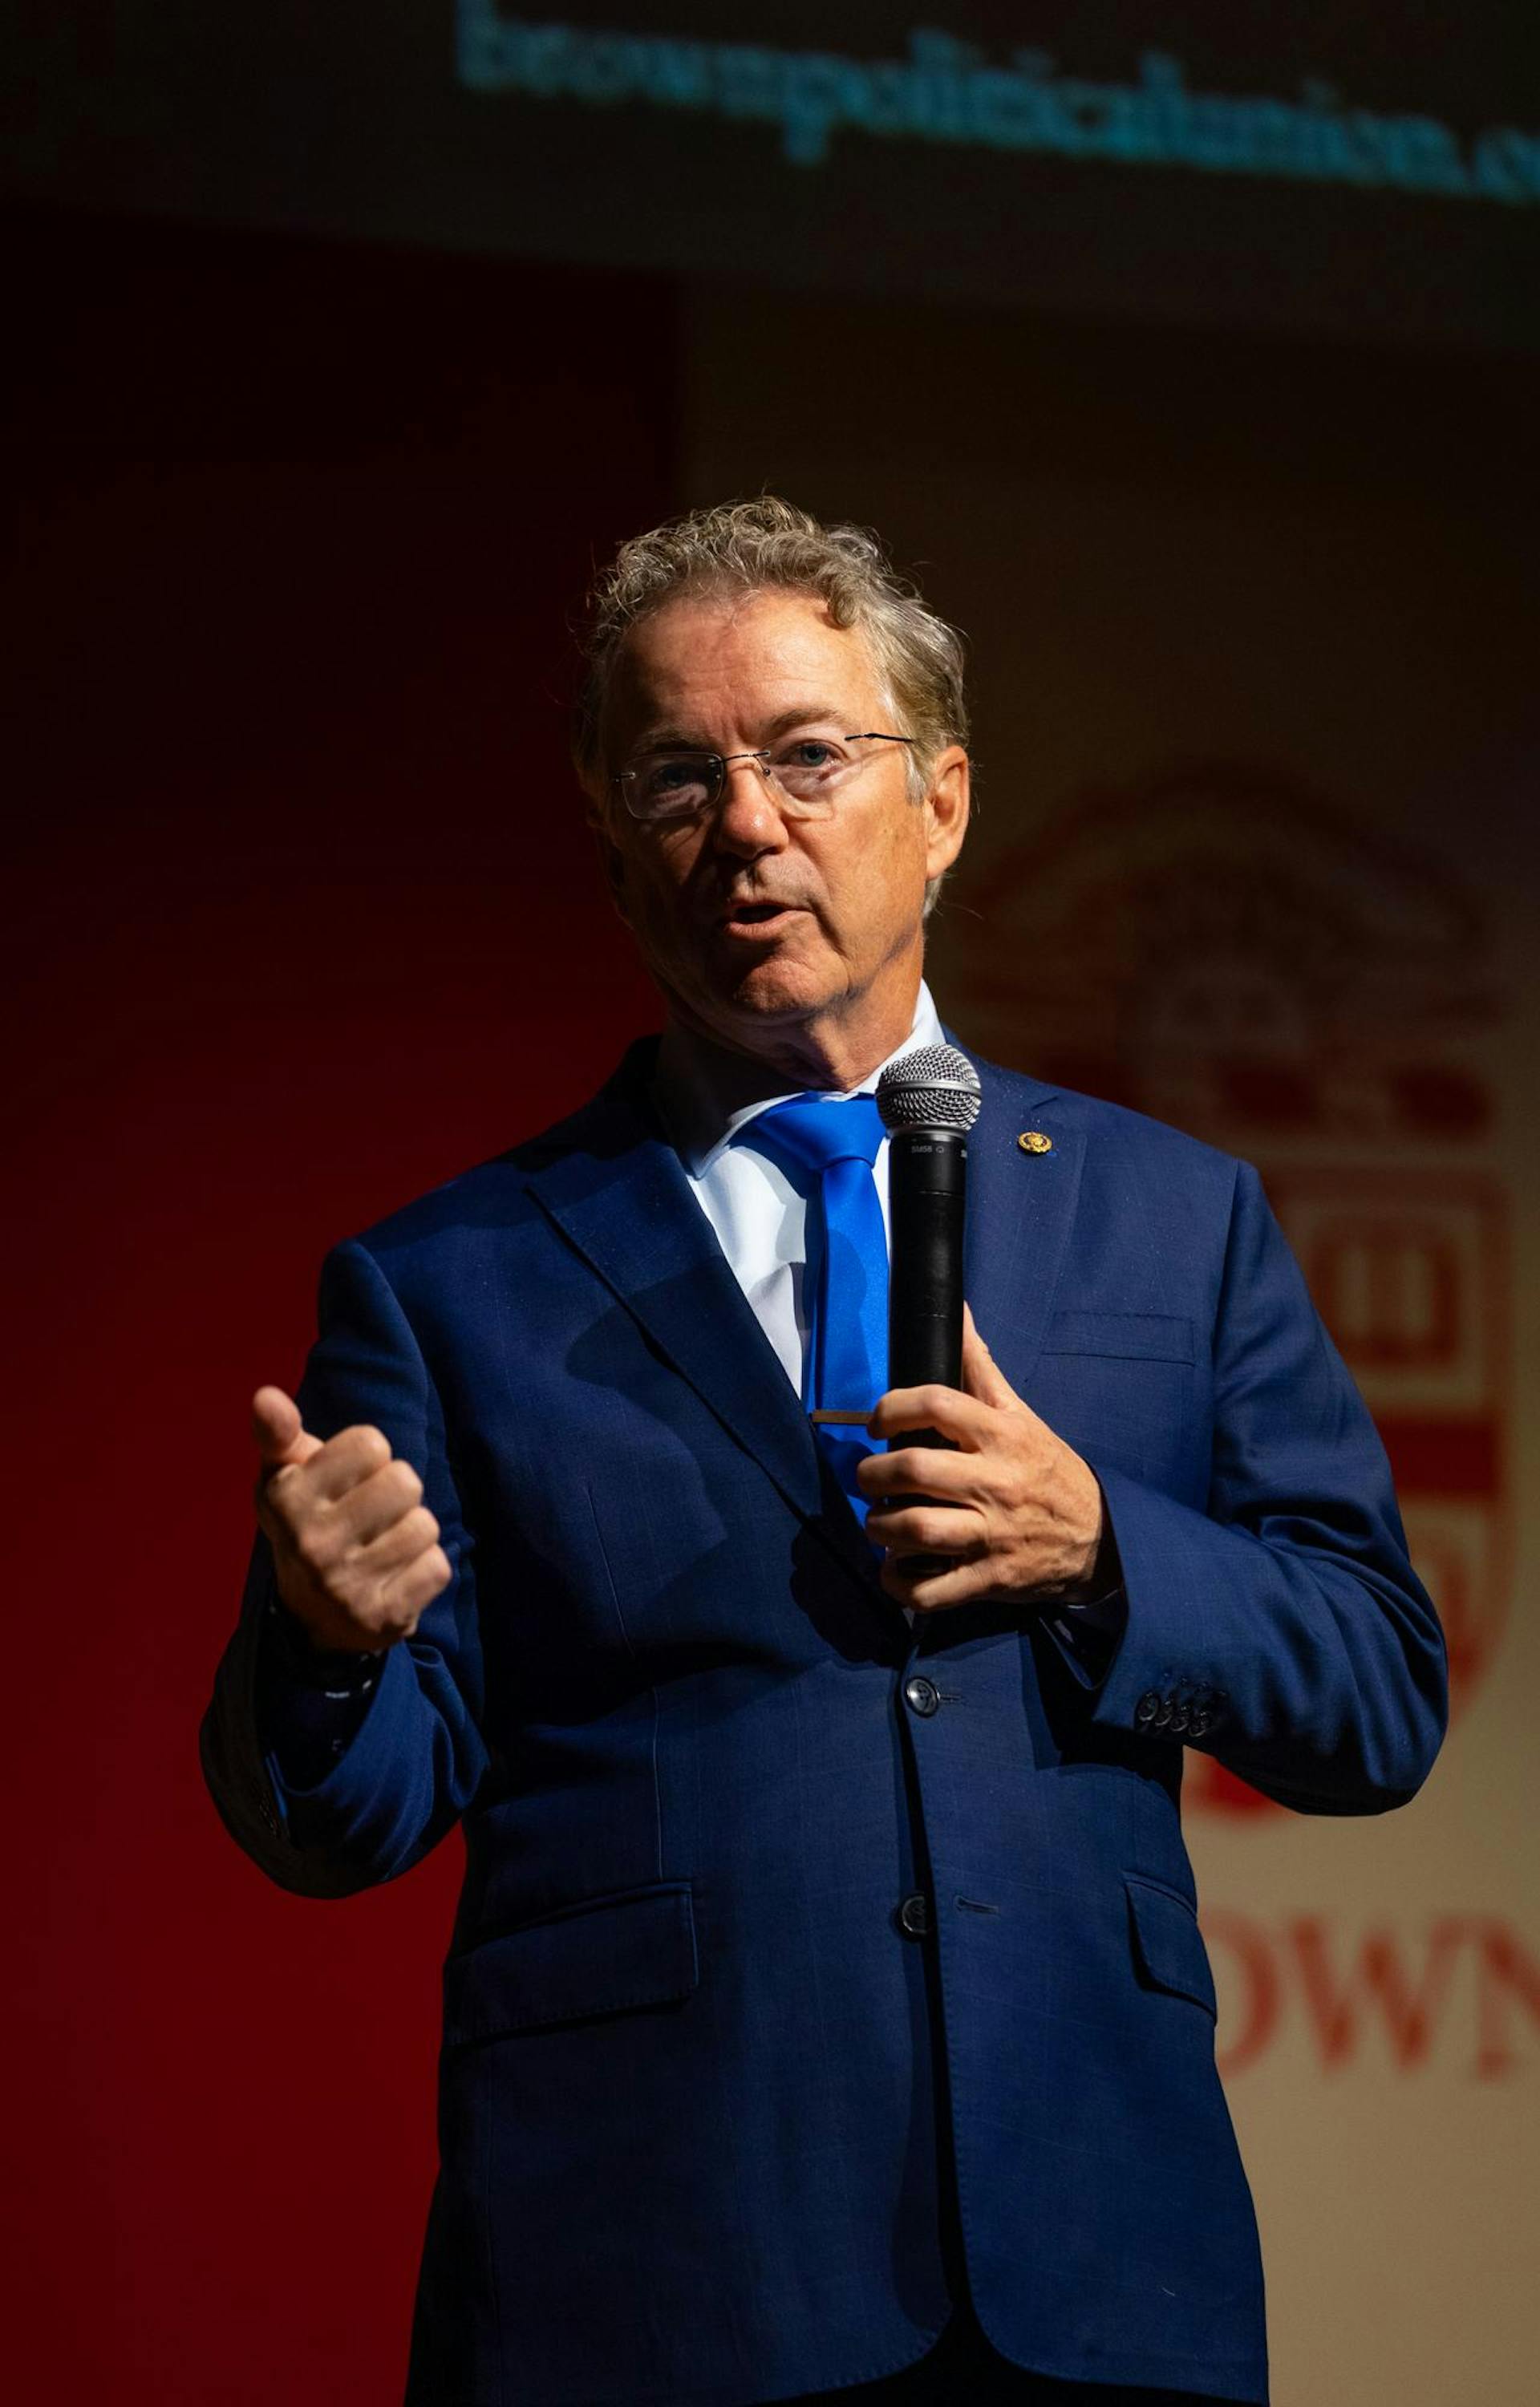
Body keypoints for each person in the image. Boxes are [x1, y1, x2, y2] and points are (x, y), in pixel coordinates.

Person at [201, 497, 1449, 2407]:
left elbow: (1374, 1689)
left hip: (1093, 2254)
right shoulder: (448, 1277)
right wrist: (329, 1639)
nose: (749, 825)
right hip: (647, 2268)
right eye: (675, 775)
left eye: (806, 755)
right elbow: (344, 1816)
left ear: (940, 801)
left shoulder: (1169, 1215)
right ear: (614, 845)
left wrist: (1102, 1540)